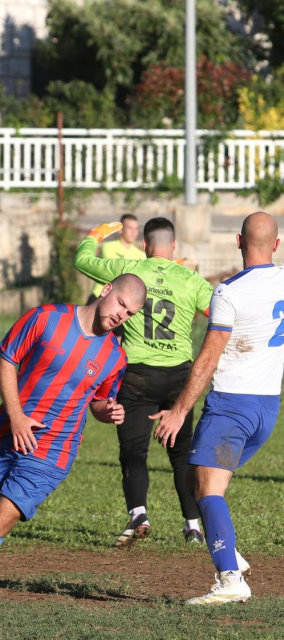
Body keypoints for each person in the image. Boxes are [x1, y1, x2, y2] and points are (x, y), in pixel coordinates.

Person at [0, 273, 147, 615]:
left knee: (1, 517)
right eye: (121, 305)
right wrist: (16, 415)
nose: (121, 315)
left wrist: (108, 411)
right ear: (106, 290)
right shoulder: (45, 318)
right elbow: (7, 359)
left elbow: (99, 401)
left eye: (130, 314)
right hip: (5, 434)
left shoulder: (115, 357)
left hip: (53, 451)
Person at [153, 211, 284, 605]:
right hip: (267, 407)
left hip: (232, 405)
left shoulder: (228, 291)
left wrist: (178, 411)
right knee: (198, 476)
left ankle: (230, 579)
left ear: (239, 242)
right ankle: (232, 557)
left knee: (209, 491)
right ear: (276, 245)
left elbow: (208, 359)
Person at [74, 217, 213, 547]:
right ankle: (193, 525)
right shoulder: (190, 279)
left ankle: (139, 514)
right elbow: (220, 316)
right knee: (181, 455)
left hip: (136, 376)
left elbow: (82, 260)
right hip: (180, 376)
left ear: (145, 246)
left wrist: (95, 235)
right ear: (174, 246)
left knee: (133, 450)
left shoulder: (129, 269)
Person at [86, 214, 145, 338]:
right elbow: (118, 273)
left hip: (123, 304)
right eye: (130, 228)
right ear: (121, 230)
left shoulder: (141, 255)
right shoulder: (108, 247)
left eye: (136, 228)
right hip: (100, 296)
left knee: (116, 342)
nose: (134, 232)